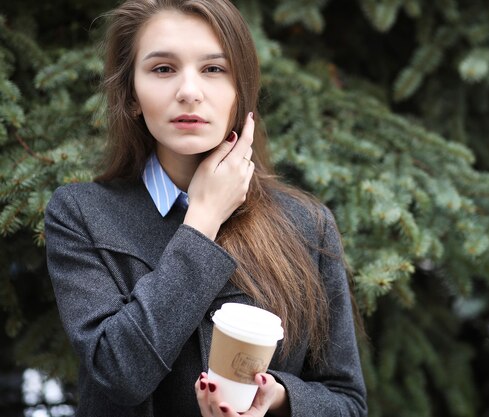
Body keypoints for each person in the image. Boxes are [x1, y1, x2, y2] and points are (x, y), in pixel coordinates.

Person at [44, 0, 367, 416]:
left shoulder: (306, 224)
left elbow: (347, 402)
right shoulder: (81, 215)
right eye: (162, 69)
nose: (189, 92)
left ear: (240, 90)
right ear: (132, 95)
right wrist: (202, 220)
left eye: (214, 69)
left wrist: (280, 399)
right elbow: (118, 374)